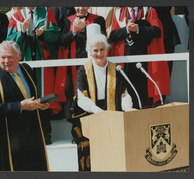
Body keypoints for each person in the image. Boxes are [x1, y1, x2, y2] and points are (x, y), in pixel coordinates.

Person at [0, 41, 50, 171]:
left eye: (10, 57)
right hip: (9, 137)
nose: (6, 61)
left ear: (19, 56)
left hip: (31, 133)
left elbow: (32, 95)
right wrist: (20, 106)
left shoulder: (26, 69)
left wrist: (40, 104)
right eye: (2, 57)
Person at [69, 34, 133, 171]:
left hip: (113, 117)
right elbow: (81, 98)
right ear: (90, 52)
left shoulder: (116, 69)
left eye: (102, 49)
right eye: (95, 50)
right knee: (89, 154)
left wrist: (127, 107)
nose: (99, 53)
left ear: (107, 50)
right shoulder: (83, 70)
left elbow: (124, 93)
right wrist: (100, 113)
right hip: (90, 117)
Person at [6, 7, 61, 143]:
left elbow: (56, 34)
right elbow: (9, 40)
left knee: (43, 97)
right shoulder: (15, 17)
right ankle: (29, 136)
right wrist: (22, 32)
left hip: (43, 63)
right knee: (27, 95)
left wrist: (43, 34)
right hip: (24, 62)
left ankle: (45, 135)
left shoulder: (48, 13)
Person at [109, 7, 170, 108]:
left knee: (145, 98)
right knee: (128, 98)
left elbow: (157, 31)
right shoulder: (118, 13)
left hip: (145, 62)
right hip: (125, 62)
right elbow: (113, 36)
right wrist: (126, 30)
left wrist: (138, 29)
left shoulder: (149, 10)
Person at [55, 7, 106, 120]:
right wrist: (73, 31)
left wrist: (84, 30)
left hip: (92, 66)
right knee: (71, 96)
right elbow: (62, 41)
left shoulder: (98, 20)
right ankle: (76, 131)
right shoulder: (67, 20)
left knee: (92, 94)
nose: (81, 8)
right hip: (71, 66)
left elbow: (102, 41)